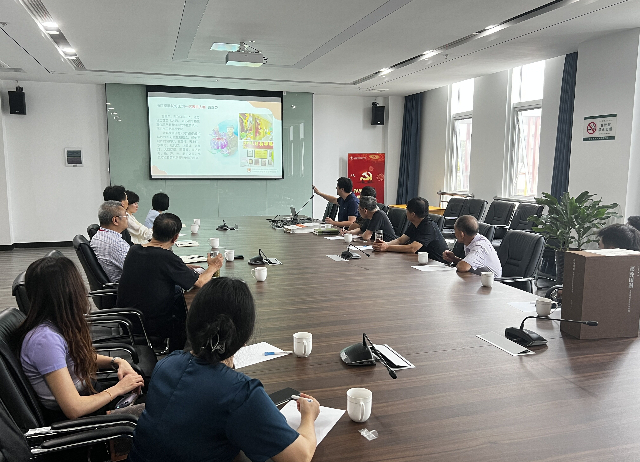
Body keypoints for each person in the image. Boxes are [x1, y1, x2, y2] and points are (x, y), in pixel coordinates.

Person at [128, 277, 320, 462]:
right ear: (244, 339)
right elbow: (300, 456)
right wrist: (308, 416)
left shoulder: (167, 364)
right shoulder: (241, 394)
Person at [15, 257, 144, 423]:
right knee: (163, 409)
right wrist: (119, 388)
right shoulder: (45, 341)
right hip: (84, 418)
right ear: (70, 291)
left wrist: (117, 362)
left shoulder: (56, 324)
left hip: (92, 399)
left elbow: (76, 357)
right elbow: (74, 409)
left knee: (156, 394)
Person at [116, 213, 224, 351]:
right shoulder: (166, 258)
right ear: (175, 237)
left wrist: (181, 267)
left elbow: (154, 265)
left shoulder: (134, 250)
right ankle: (178, 353)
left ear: (153, 229)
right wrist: (213, 267)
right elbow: (200, 282)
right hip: (149, 324)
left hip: (128, 318)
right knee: (192, 315)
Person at [372, 197, 448, 261]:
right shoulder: (415, 223)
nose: (406, 213)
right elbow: (400, 240)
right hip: (422, 260)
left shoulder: (429, 227)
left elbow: (412, 248)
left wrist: (387, 247)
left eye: (407, 210)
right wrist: (384, 244)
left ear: (413, 214)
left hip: (437, 263)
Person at [90, 201, 130, 282]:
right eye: (126, 215)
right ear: (115, 220)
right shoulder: (116, 244)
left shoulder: (99, 235)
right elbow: (137, 269)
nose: (127, 218)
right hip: (127, 286)